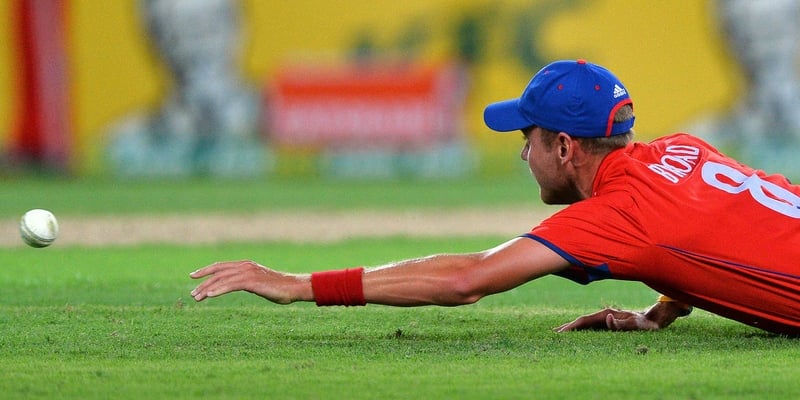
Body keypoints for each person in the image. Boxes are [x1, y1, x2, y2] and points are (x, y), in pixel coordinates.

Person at [190, 59, 800, 335]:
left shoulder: (613, 215)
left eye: (526, 138)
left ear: (564, 148)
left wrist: (298, 285)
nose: (522, 153)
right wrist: (661, 310)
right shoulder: (681, 149)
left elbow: (466, 279)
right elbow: (728, 220)